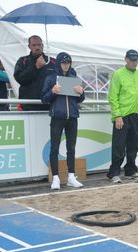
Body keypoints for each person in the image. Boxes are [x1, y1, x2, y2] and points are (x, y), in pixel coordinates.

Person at [107, 49, 138, 183]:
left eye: (136, 60)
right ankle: (114, 172)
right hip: (122, 114)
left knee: (134, 144)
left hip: (137, 114)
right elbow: (112, 96)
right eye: (132, 60)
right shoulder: (118, 75)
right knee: (119, 145)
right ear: (126, 59)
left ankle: (130, 170)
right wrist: (117, 115)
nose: (134, 63)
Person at [41, 52, 85, 190]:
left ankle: (71, 176)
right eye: (63, 63)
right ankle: (55, 178)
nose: (66, 65)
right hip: (57, 117)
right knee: (54, 148)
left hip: (72, 117)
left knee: (71, 148)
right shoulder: (50, 78)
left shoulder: (74, 77)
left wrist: (81, 92)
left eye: (68, 63)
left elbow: (80, 99)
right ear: (59, 63)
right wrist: (53, 91)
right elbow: (44, 99)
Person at [14, 35, 56, 111]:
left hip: (49, 105)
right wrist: (35, 67)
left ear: (42, 46)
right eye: (34, 45)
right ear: (29, 46)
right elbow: (20, 79)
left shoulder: (53, 62)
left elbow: (61, 79)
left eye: (39, 45)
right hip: (28, 106)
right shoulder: (23, 61)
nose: (37, 47)